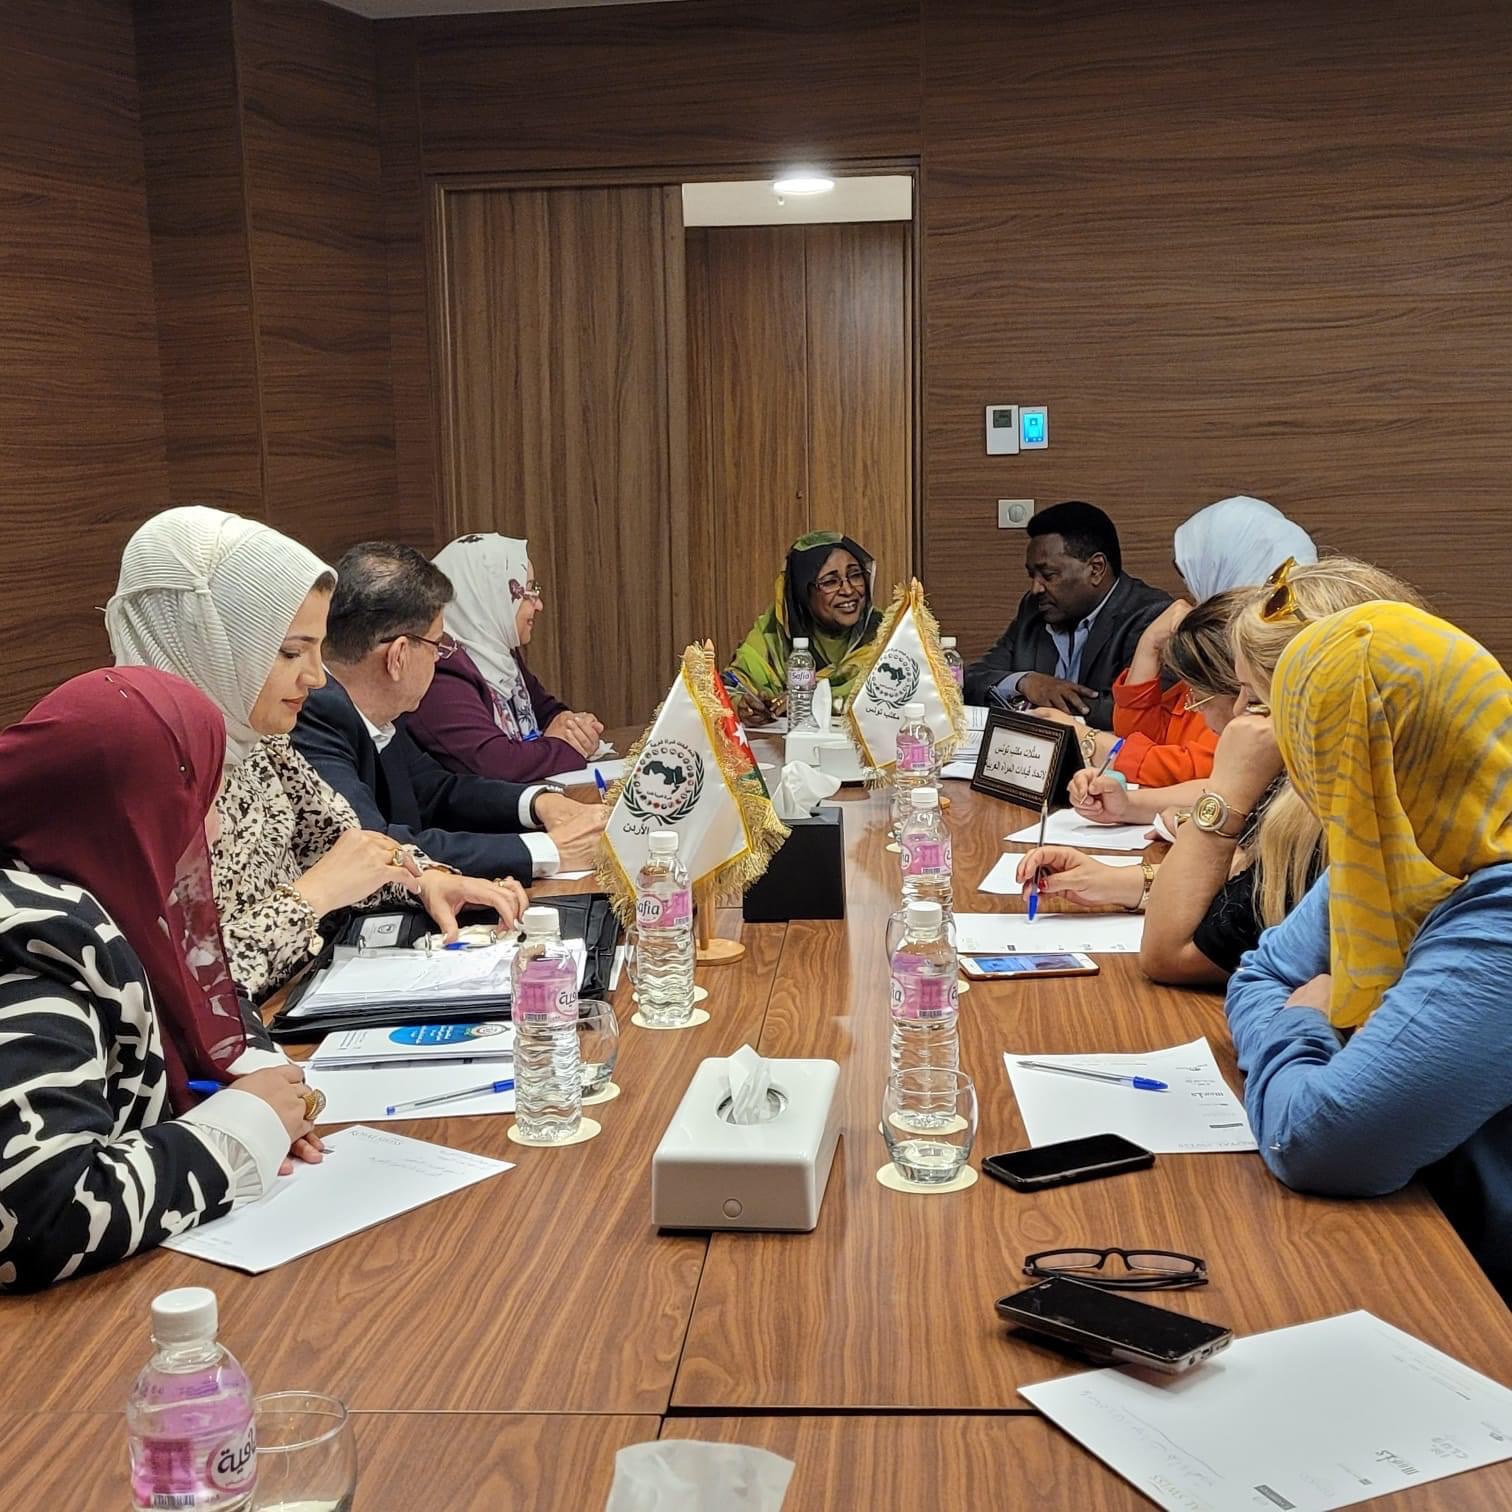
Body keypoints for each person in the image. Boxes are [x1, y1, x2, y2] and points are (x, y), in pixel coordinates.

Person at [107, 506, 525, 1003]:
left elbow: (342, 842)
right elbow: (170, 989)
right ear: (207, 641)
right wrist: (313, 897)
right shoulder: (130, 778)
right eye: (291, 652)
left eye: (317, 650)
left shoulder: (257, 740)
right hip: (238, 1039)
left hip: (297, 1004)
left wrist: (426, 880)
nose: (316, 676)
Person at [0, 669, 324, 1291]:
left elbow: (199, 999)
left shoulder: (103, 890)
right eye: (200, 800)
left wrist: (259, 1090)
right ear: (132, 812)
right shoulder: (31, 953)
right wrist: (237, 1136)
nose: (215, 830)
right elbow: (41, 1218)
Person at [1225, 602, 1512, 1303]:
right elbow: (1260, 971)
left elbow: (1319, 1145)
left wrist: (1302, 1024)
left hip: (1476, 1293)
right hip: (1425, 1224)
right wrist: (1316, 1047)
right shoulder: (1400, 840)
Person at [1013, 595, 1323, 985]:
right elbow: (1246, 872)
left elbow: (1168, 955)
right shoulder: (1296, 792)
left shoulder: (1320, 820)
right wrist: (1117, 881)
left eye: (1255, 698)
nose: (1240, 712)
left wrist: (1224, 797)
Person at [294, 541, 607, 878]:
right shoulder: (313, 718)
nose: (442, 657)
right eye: (438, 645)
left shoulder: (375, 711)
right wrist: (550, 851)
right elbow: (377, 849)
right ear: (398, 657)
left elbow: (437, 791)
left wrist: (538, 803)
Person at [1066, 556, 1425, 832]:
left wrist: (1212, 823)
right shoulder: (1318, 782)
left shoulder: (1356, 809)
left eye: (1252, 698)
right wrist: (1130, 807)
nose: (1240, 711)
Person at [1089, 496, 1316, 784]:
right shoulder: (1211, 640)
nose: (1191, 591)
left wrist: (1092, 741)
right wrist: (1149, 646)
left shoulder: (1260, 652)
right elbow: (1144, 735)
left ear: (1221, 565)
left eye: (1190, 575)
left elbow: (1206, 768)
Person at [408, 533, 606, 782]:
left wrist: (575, 726)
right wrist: (566, 746)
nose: (539, 605)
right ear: (485, 596)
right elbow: (497, 763)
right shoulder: (439, 669)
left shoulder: (496, 652)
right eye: (528, 592)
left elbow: (548, 711)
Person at [962, 500, 1170, 728]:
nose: (1036, 588)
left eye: (1049, 575)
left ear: (1096, 569)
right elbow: (972, 679)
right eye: (1032, 576)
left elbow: (1137, 711)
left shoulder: (1151, 618)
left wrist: (1045, 703)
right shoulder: (1034, 609)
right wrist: (1026, 682)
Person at [726, 530, 883, 724]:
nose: (848, 590)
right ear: (802, 592)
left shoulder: (886, 634)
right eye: (830, 582)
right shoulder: (772, 635)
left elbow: (891, 702)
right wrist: (743, 706)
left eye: (856, 575)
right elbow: (726, 689)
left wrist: (817, 702)